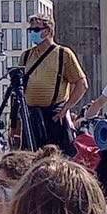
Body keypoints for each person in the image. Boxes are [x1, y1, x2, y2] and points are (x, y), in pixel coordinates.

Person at [17, 12, 88, 155]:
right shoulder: (26, 56)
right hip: (31, 116)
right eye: (30, 30)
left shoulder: (63, 54)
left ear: (48, 31)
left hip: (54, 118)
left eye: (36, 30)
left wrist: (65, 109)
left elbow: (82, 84)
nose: (32, 33)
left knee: (55, 157)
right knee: (29, 158)